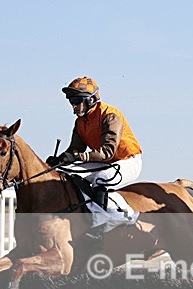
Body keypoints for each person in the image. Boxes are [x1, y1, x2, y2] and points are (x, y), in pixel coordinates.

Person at [46, 76, 143, 241]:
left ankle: (119, 217)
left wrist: (78, 156)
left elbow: (107, 152)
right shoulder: (80, 122)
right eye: (71, 101)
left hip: (128, 160)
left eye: (76, 100)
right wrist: (59, 160)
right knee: (67, 171)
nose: (73, 105)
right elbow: (75, 150)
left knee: (101, 178)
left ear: (90, 100)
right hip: (105, 162)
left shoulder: (110, 115)